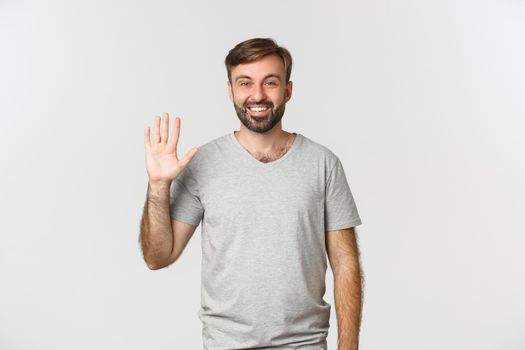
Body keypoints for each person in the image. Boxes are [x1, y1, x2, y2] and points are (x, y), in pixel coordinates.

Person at [139, 38, 364, 350]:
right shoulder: (202, 163)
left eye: (270, 83)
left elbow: (345, 261)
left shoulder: (322, 164)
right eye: (245, 83)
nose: (257, 95)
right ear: (231, 90)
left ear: (288, 90)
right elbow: (157, 257)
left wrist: (349, 348)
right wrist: (158, 186)